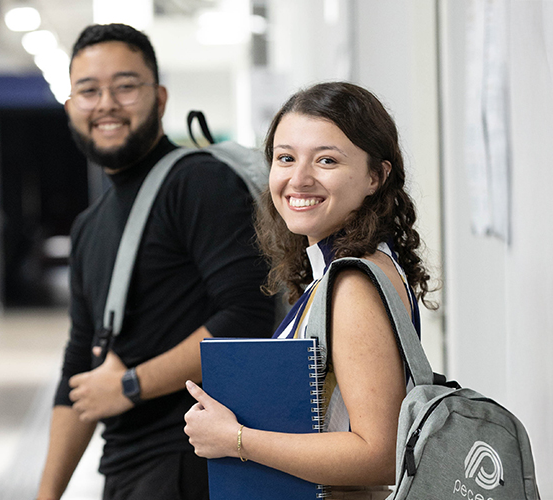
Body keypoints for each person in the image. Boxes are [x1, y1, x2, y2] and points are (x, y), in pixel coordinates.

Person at [36, 23, 275, 500]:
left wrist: (129, 384)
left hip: (194, 462)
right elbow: (80, 370)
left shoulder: (199, 183)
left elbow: (247, 317)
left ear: (160, 98)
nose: (105, 103)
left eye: (125, 86)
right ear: (70, 108)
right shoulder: (90, 225)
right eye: (88, 90)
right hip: (127, 468)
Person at [183, 82, 435, 498]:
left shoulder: (354, 284)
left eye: (326, 160)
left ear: (376, 176)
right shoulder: (349, 268)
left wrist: (236, 440)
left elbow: (379, 453)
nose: (298, 179)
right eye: (285, 158)